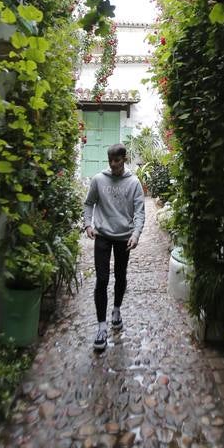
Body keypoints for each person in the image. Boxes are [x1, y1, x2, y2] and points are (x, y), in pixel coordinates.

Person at [83, 143, 145, 352]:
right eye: (110, 160)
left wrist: (136, 234)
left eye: (117, 160)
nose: (113, 164)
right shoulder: (99, 180)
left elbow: (140, 211)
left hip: (123, 237)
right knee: (101, 279)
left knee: (120, 275)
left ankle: (116, 310)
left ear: (124, 159)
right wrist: (88, 224)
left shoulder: (134, 182)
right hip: (102, 235)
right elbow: (89, 203)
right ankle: (101, 327)